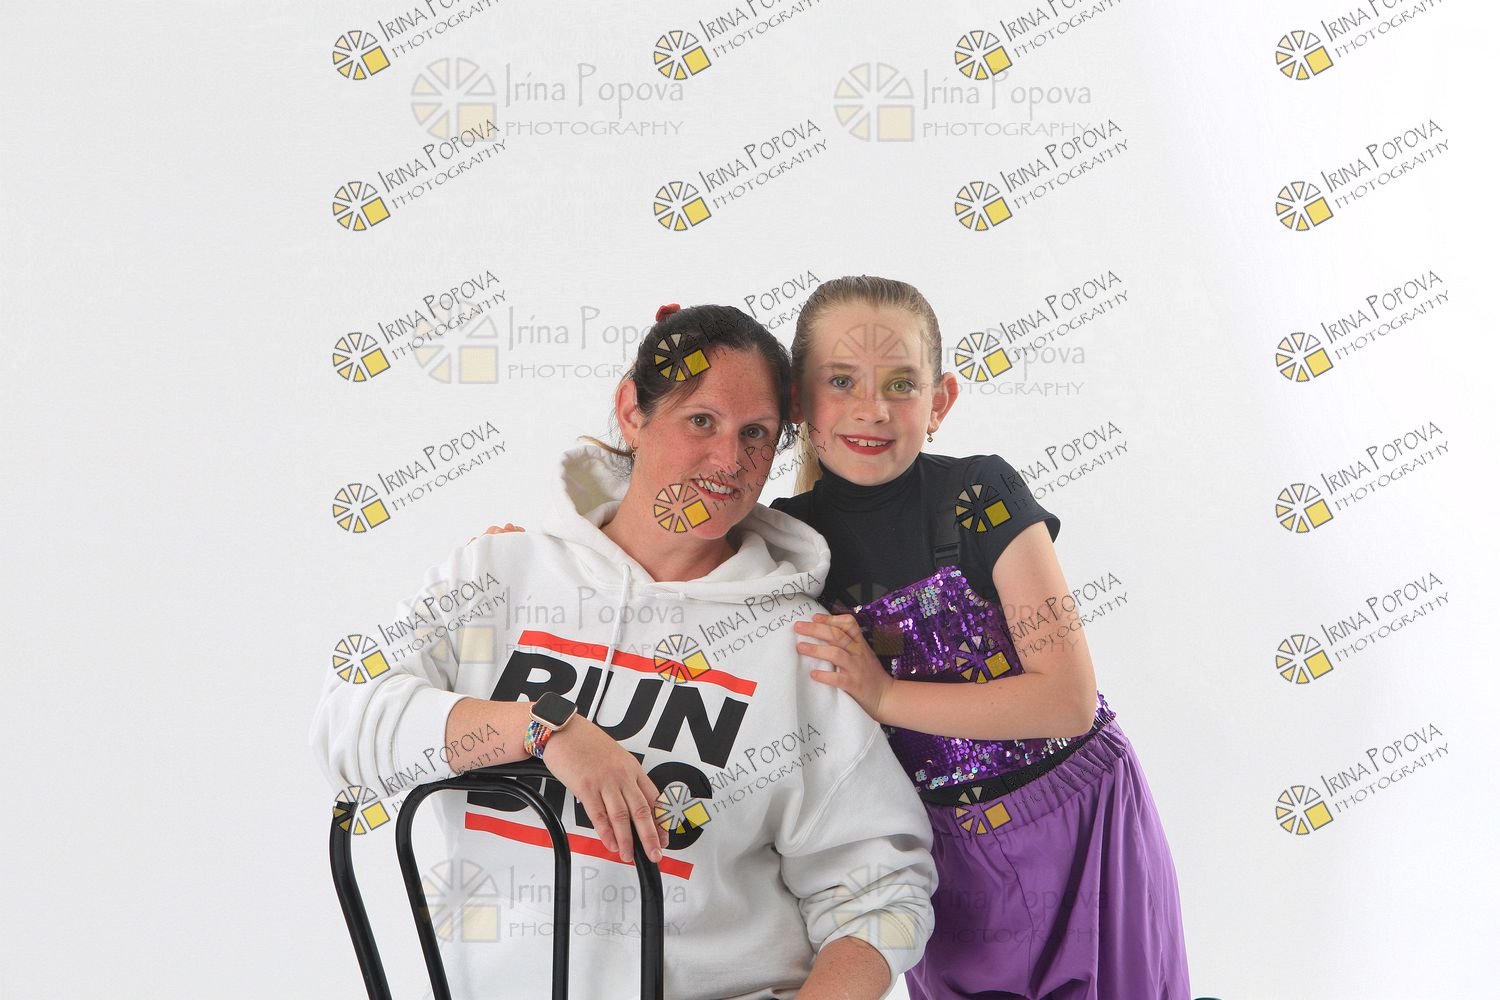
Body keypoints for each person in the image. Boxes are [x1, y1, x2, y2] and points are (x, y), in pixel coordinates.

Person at [311, 304, 936, 1000]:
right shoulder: (497, 575)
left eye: (755, 434)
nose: (729, 461)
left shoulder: (801, 647)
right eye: (702, 420)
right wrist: (545, 730)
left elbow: (881, 892)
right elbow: (348, 721)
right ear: (632, 411)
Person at [773, 276, 1190, 1000]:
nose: (872, 409)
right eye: (841, 381)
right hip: (945, 860)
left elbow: (1066, 700)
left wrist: (884, 695)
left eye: (901, 384)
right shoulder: (787, 539)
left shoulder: (980, 496)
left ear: (940, 401)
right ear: (798, 401)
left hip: (1081, 823)